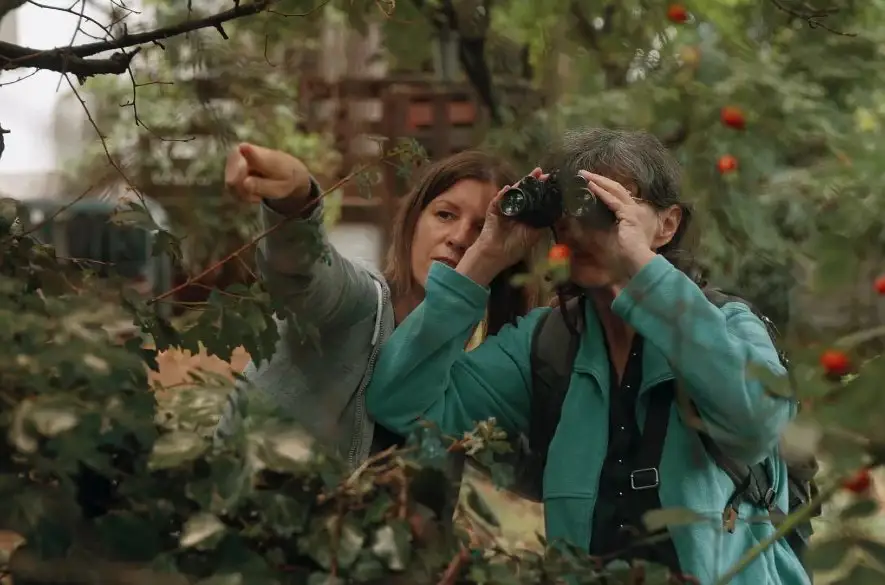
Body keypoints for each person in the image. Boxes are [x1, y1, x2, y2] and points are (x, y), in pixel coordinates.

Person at [364, 128, 810, 584]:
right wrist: (483, 258)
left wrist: (642, 267)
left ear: (668, 224)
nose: (588, 226)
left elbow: (757, 426)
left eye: (612, 203)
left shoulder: (727, 324)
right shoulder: (548, 342)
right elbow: (401, 401)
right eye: (574, 206)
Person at [214, 144, 537, 489]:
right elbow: (305, 275)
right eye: (445, 214)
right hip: (249, 523)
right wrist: (295, 202)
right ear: (414, 220)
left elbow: (530, 469)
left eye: (481, 229)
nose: (459, 238)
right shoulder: (358, 302)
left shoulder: (464, 369)